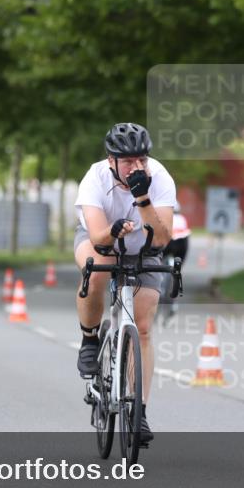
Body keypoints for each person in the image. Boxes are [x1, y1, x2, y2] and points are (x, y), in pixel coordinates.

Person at [73, 123, 176, 447]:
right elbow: (98, 236)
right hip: (101, 241)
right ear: (111, 161)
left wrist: (142, 198)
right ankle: (90, 339)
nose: (137, 167)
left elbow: (162, 238)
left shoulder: (159, 177)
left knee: (143, 328)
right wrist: (114, 230)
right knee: (99, 269)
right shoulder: (95, 178)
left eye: (141, 159)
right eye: (128, 161)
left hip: (143, 250)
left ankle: (139, 412)